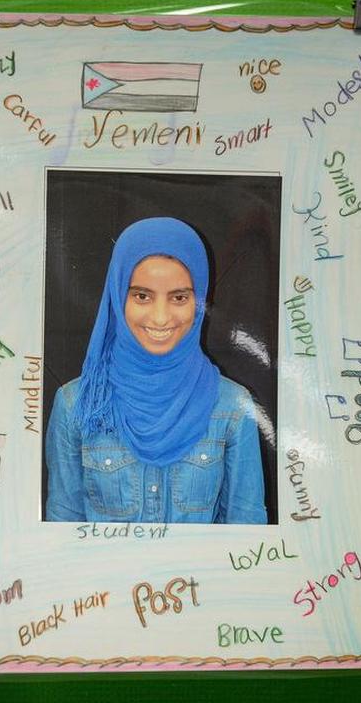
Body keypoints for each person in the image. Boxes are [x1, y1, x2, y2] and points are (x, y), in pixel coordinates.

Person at [45, 217, 267, 524]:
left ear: (199, 301)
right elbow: (61, 531)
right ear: (117, 296)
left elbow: (247, 535)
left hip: (200, 575)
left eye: (179, 297)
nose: (161, 318)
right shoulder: (77, 404)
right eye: (142, 296)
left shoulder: (232, 407)